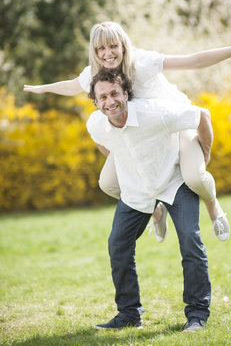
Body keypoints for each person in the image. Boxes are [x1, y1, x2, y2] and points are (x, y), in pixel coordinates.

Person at [23, 21, 231, 243]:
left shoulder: (143, 62)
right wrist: (41, 88)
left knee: (194, 177)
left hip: (174, 126)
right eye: (100, 48)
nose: (107, 53)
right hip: (138, 135)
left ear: (123, 45)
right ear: (94, 51)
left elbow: (195, 60)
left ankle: (214, 207)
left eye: (113, 45)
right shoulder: (94, 73)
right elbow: (71, 86)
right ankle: (157, 212)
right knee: (109, 183)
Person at [87, 69, 213, 331]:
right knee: (118, 245)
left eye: (114, 94)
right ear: (96, 102)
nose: (110, 101)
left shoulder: (153, 112)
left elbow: (201, 115)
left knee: (190, 239)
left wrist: (204, 156)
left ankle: (197, 314)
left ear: (126, 94)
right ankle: (129, 313)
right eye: (103, 97)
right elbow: (102, 141)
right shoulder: (95, 124)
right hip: (137, 191)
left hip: (173, 183)